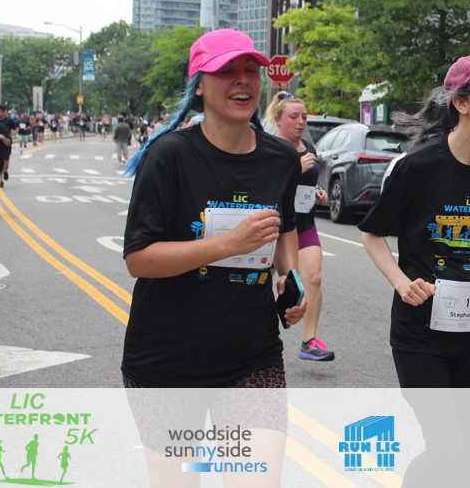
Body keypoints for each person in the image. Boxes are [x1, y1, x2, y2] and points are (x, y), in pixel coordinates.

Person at [121, 29, 306, 486]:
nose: (242, 80)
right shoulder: (169, 155)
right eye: (226, 70)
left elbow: (284, 227)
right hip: (167, 360)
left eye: (251, 70)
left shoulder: (280, 159)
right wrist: (228, 244)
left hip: (252, 354)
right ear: (199, 84)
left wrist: (290, 278)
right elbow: (139, 258)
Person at [360, 53, 470, 488]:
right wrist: (402, 283)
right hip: (420, 333)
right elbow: (373, 233)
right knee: (446, 447)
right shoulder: (419, 166)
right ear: (460, 102)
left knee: (465, 452)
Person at [274, 95, 334, 361]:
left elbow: (306, 184)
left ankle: (310, 341)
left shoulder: (309, 147)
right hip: (273, 227)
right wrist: (294, 170)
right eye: (293, 117)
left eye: (304, 117)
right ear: (278, 120)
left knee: (314, 277)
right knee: (261, 283)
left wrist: (317, 192)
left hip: (304, 223)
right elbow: (263, 186)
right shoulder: (270, 148)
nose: (300, 122)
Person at [0, 105, 18, 187]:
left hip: (7, 143)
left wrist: (13, 133)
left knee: (5, 163)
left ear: (4, 112)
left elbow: (16, 128)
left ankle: (5, 171)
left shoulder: (9, 121)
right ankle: (1, 181)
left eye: (1, 111)